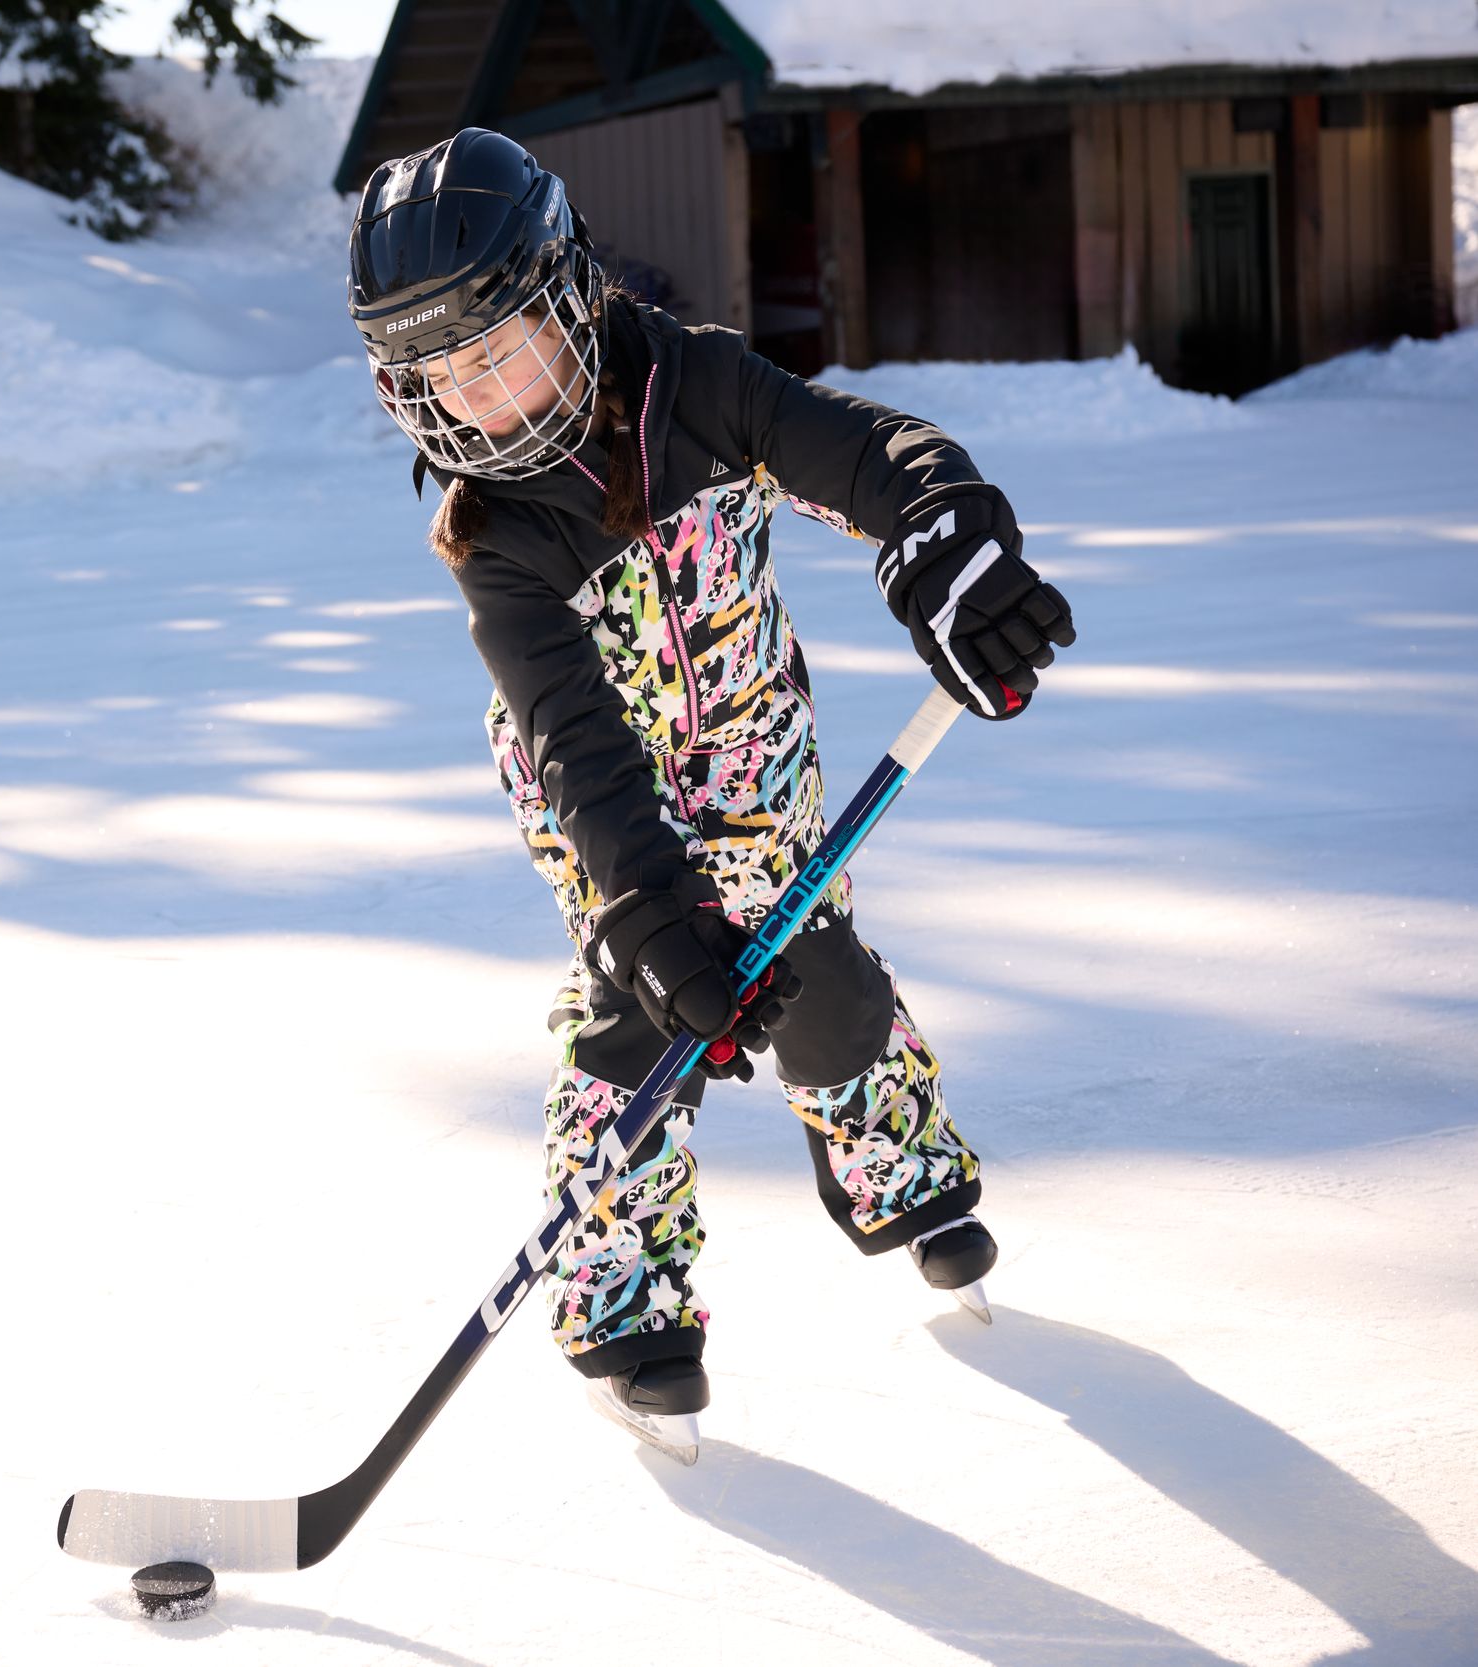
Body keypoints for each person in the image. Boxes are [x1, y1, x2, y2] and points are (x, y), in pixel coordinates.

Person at [345, 129, 1075, 1443]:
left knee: (822, 984)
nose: (479, 396)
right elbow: (570, 730)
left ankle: (902, 1175)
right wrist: (643, 904)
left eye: (495, 346)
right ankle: (621, 1302)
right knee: (643, 1021)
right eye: (438, 376)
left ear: (566, 296)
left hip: (753, 750)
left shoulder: (699, 383)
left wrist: (943, 535)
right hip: (598, 803)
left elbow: (869, 452)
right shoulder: (493, 532)